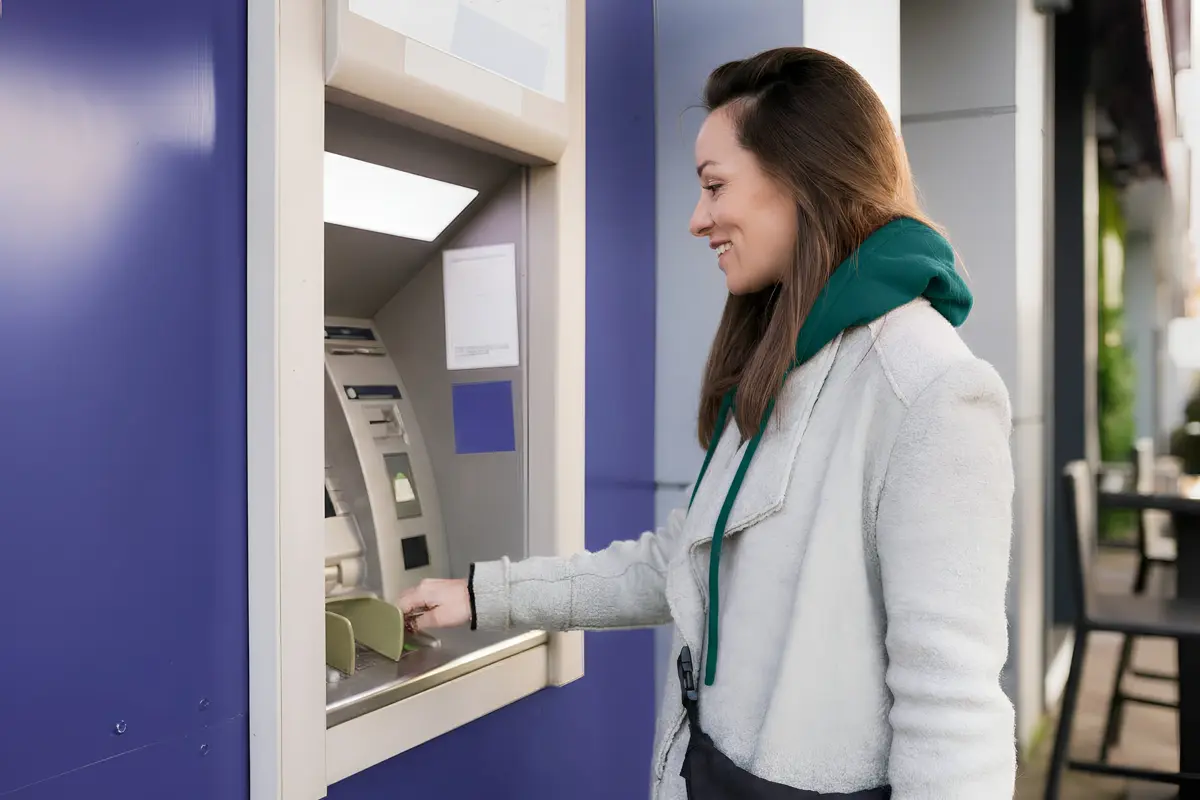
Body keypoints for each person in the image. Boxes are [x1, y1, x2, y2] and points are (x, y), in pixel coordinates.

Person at [398, 46, 1016, 800]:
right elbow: (681, 565)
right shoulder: (793, 357)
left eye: (715, 186)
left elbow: (953, 709)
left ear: (802, 177)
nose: (698, 220)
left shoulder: (931, 391)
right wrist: (484, 595)